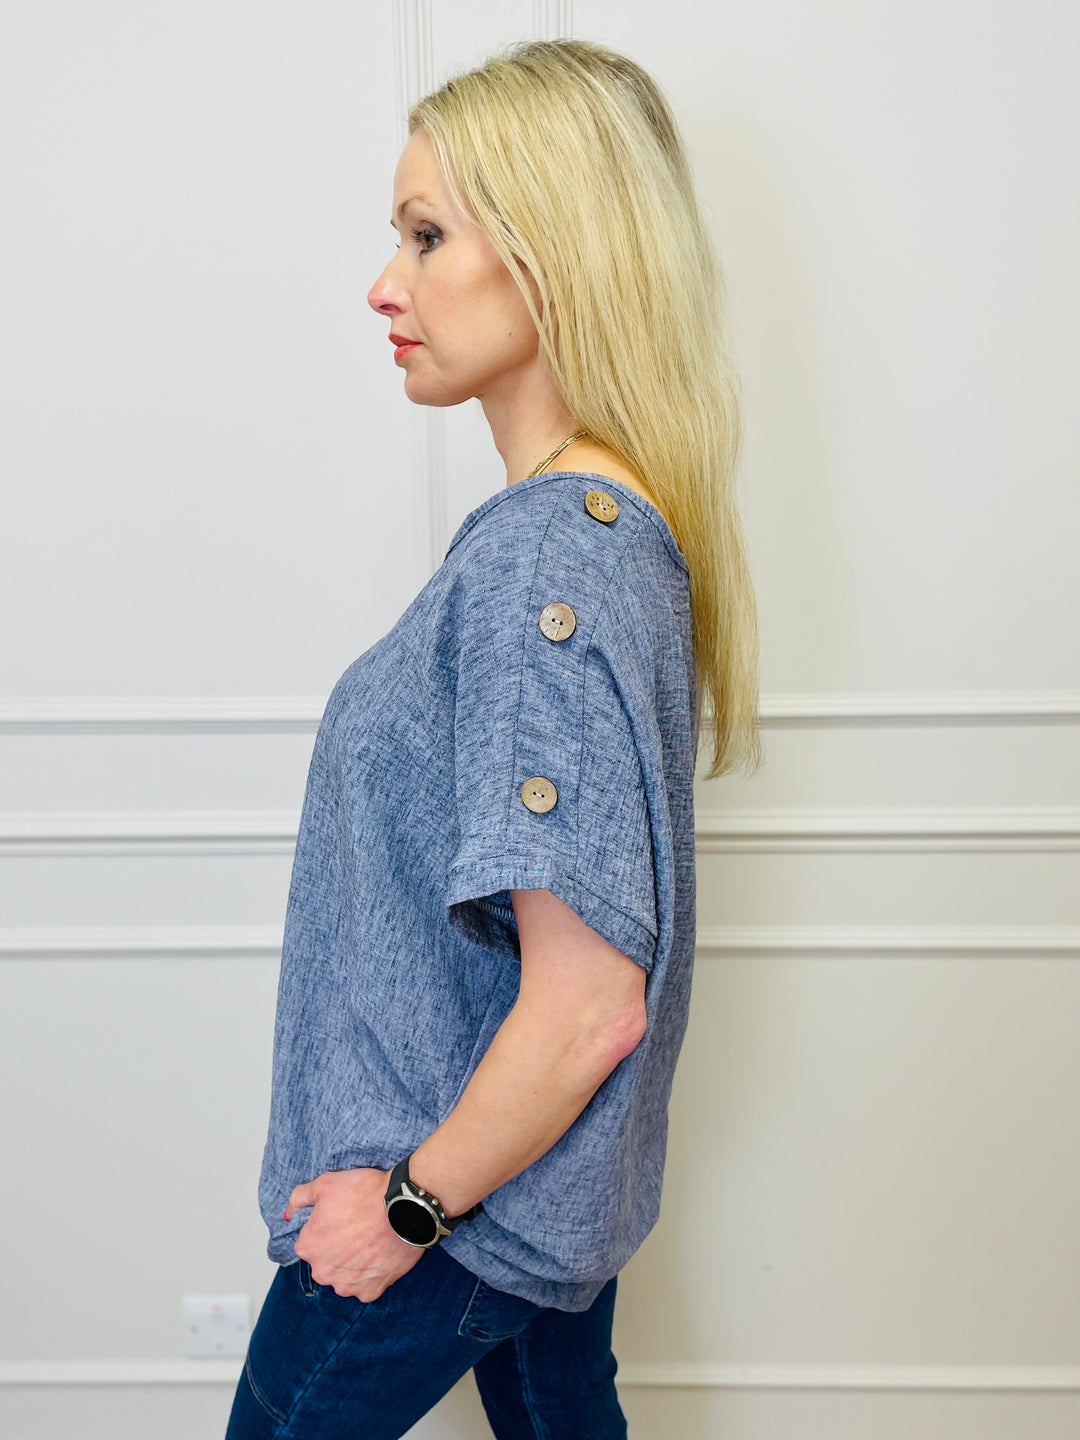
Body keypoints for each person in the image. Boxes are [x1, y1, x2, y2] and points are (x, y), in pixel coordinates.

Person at [224, 35, 761, 1440]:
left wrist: (406, 1207)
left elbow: (590, 1002)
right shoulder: (601, 530)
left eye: (425, 235)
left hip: (446, 1204)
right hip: (526, 1195)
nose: (383, 284)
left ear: (550, 254)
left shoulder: (550, 562)